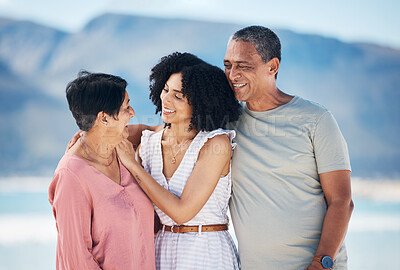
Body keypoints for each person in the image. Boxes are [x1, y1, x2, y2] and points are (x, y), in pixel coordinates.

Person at [223, 26, 354, 270]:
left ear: (272, 67)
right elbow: (169, 131)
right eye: (228, 64)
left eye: (244, 65)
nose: (232, 74)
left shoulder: (316, 119)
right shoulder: (226, 125)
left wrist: (321, 263)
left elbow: (342, 201)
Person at [116, 52, 242, 269]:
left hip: (205, 251)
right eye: (165, 90)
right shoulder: (150, 140)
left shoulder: (215, 144)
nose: (165, 99)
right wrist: (83, 137)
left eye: (178, 96)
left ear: (201, 102)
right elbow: (106, 133)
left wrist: (133, 165)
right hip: (160, 249)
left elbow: (182, 212)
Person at [48, 71, 155, 270]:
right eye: (126, 107)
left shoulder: (123, 150)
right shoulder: (71, 177)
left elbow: (168, 132)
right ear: (104, 119)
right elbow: (76, 259)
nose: (132, 112)